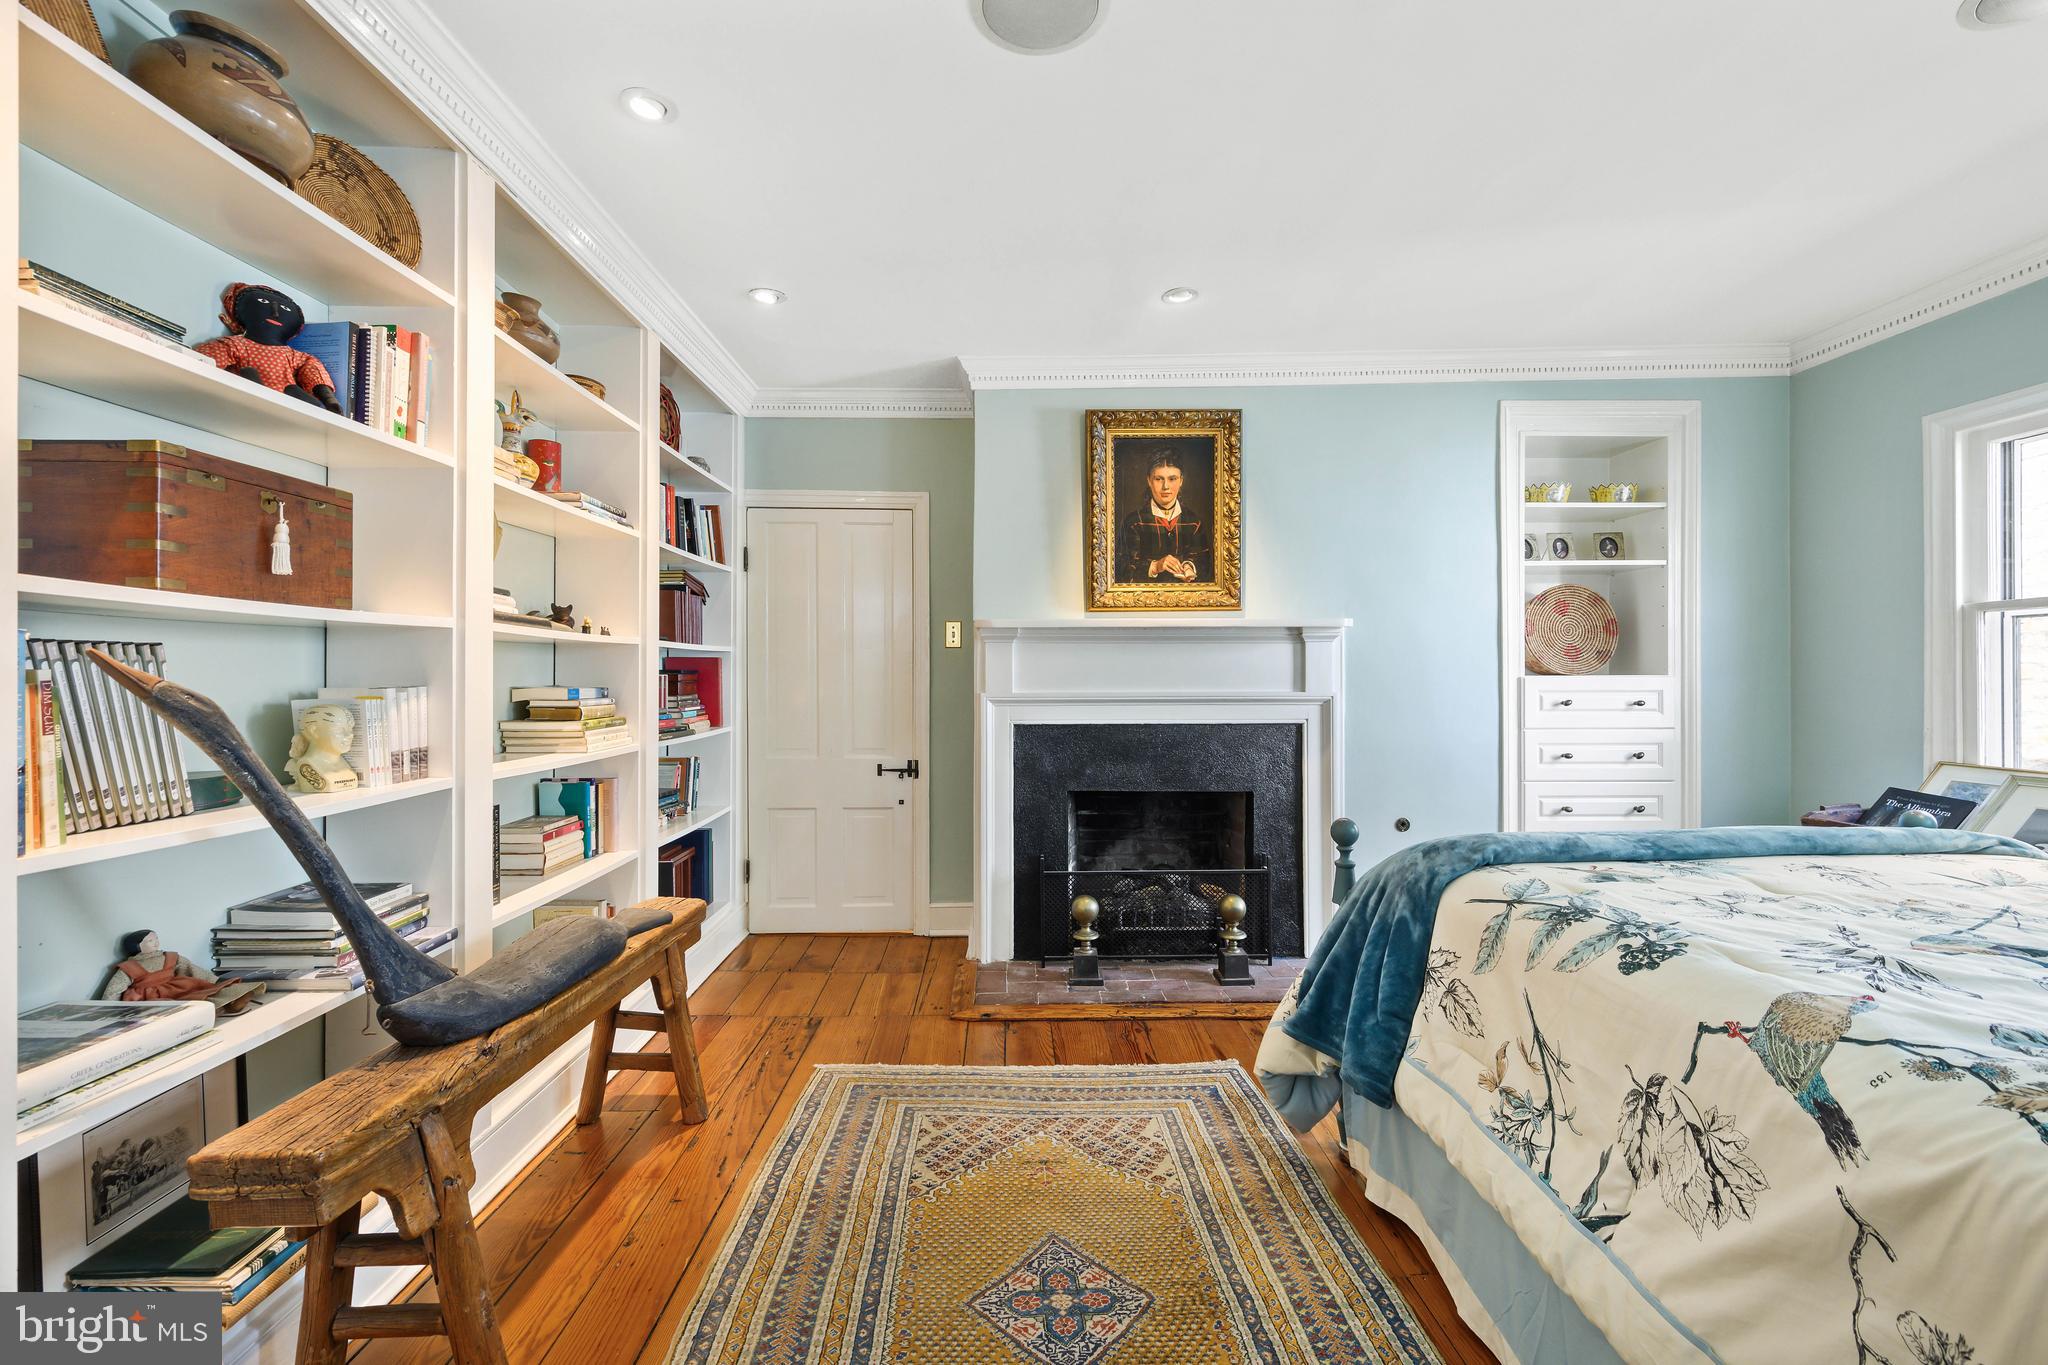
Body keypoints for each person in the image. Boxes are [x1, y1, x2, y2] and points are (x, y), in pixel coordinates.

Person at [1117, 453, 1212, 582]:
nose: (1165, 486)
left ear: (1181, 481)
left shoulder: (1194, 522)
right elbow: (1121, 570)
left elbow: (1205, 565)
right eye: (1159, 479)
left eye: (1172, 479)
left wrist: (1189, 567)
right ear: (1149, 481)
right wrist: (1156, 566)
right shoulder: (1133, 522)